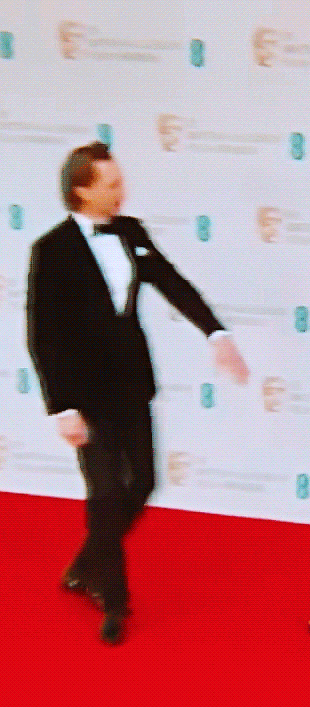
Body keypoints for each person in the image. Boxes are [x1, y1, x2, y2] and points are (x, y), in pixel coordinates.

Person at [26, 142, 249, 644]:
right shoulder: (51, 249)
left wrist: (216, 333)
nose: (122, 191)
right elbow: (42, 335)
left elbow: (172, 283)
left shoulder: (131, 232)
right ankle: (113, 600)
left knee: (144, 483)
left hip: (132, 386)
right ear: (82, 191)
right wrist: (61, 407)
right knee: (104, 494)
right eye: (112, 184)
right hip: (85, 397)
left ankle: (87, 562)